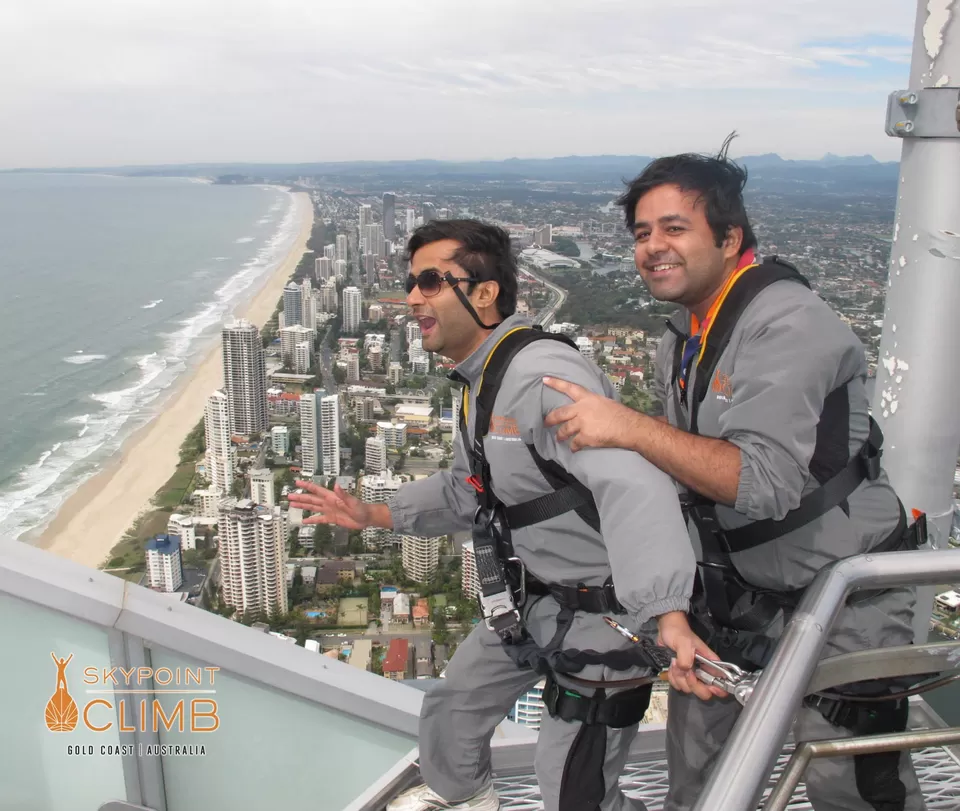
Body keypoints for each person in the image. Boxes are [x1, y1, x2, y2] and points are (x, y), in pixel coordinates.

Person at [541, 138, 926, 811]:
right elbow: (689, 476)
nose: (652, 245)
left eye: (675, 227)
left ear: (729, 238)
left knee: (850, 785)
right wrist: (674, 607)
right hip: (737, 596)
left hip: (842, 596)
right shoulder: (683, 337)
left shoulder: (787, 323)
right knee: (701, 781)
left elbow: (765, 482)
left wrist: (629, 427)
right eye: (641, 232)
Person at [289, 219, 720, 811]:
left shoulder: (543, 377)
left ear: (485, 293)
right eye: (411, 282)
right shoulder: (482, 381)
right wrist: (373, 513)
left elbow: (633, 483)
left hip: (609, 615)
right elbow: (473, 491)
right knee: (453, 710)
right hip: (535, 601)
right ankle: (464, 801)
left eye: (432, 281)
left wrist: (668, 612)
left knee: (572, 788)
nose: (413, 298)